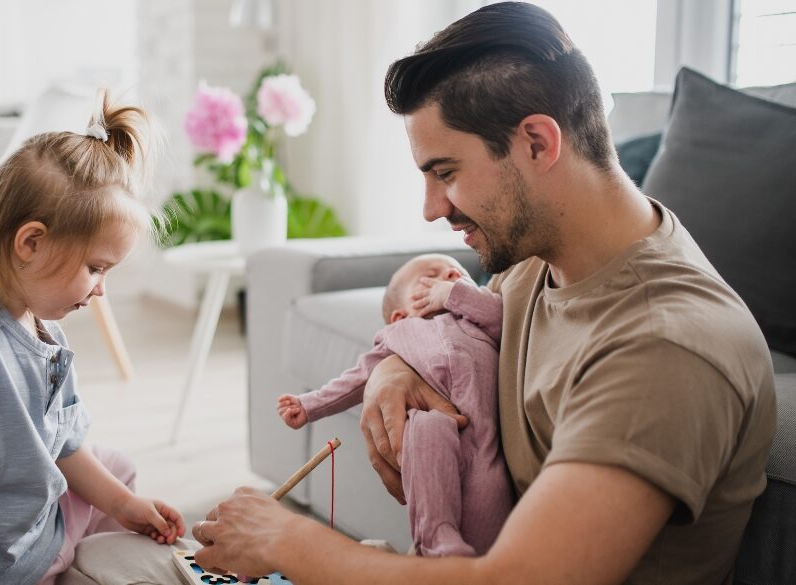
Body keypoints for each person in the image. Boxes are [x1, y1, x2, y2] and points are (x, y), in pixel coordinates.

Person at [61, 3, 776, 584]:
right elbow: (452, 326)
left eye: (446, 172)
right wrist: (404, 364)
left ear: (537, 142)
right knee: (109, 559)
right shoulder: (538, 267)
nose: (432, 209)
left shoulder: (666, 346)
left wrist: (289, 542)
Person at [0, 89, 186, 585]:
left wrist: (126, 506)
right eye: (95, 267)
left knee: (117, 469)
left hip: (26, 535)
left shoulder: (42, 329)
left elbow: (64, 444)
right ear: (31, 243)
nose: (101, 288)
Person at [277, 253, 512, 557]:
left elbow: (501, 314)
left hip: (488, 447)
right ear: (401, 315)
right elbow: (356, 379)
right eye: (430, 277)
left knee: (489, 509)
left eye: (458, 273)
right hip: (438, 438)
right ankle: (436, 536)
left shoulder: (478, 322)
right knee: (425, 426)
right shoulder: (398, 336)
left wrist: (453, 294)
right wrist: (308, 405)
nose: (451, 276)